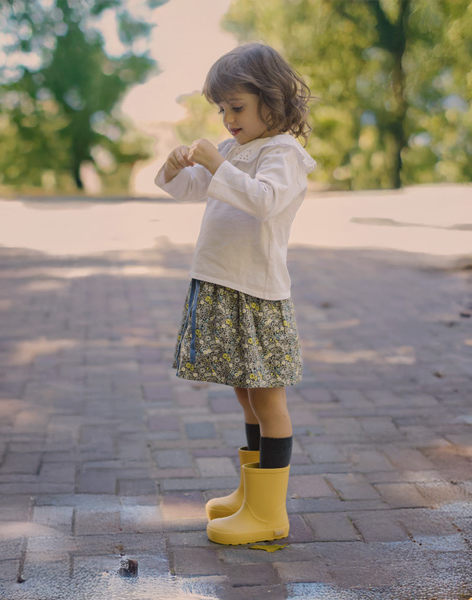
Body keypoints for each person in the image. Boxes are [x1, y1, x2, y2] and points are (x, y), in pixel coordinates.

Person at [154, 43, 315, 546]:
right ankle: (250, 496)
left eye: (236, 108)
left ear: (272, 101)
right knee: (246, 396)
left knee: (267, 400)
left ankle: (269, 514)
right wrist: (177, 164)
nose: (226, 119)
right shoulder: (233, 151)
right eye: (221, 109)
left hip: (256, 294)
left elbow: (263, 202)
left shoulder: (283, 153)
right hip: (225, 284)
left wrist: (218, 166)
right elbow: (183, 190)